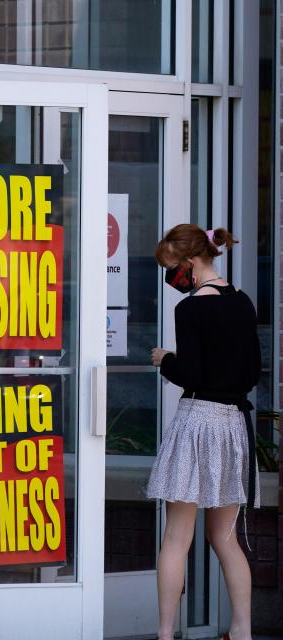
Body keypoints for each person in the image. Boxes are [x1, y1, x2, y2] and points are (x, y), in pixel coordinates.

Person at [147, 224, 261, 640]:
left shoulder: (191, 308)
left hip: (197, 421)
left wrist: (166, 359)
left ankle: (164, 633)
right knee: (225, 538)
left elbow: (191, 373)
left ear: (191, 262)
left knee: (177, 538)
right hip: (233, 425)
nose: (172, 276)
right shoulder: (243, 302)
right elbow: (251, 372)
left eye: (173, 267)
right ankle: (243, 631)